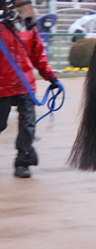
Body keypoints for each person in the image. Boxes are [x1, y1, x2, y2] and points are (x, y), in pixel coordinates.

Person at [0, 19, 59, 178]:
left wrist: (50, 77)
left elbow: (38, 55)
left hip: (25, 86)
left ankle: (23, 162)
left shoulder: (30, 28)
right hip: (2, 87)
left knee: (28, 126)